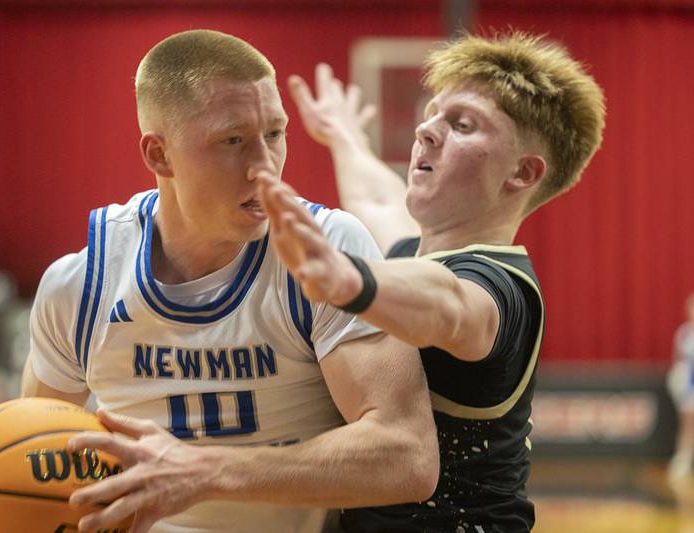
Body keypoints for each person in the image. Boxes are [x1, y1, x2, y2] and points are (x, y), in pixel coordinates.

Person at [19, 30, 439, 533]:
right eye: (232, 140)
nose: (264, 168)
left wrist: (207, 473)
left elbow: (408, 455)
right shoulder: (81, 286)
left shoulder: (325, 251)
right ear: (159, 155)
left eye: (275, 134)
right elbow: (29, 462)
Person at [259, 32, 606, 532]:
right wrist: (345, 137)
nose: (426, 129)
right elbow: (378, 199)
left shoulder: (501, 288)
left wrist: (347, 276)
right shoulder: (411, 253)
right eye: (433, 112)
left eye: (461, 124)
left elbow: (448, 306)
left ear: (522, 173)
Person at [667, 293, 694, 483]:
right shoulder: (683, 333)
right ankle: (683, 459)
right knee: (688, 423)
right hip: (689, 387)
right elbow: (677, 362)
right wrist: (678, 381)